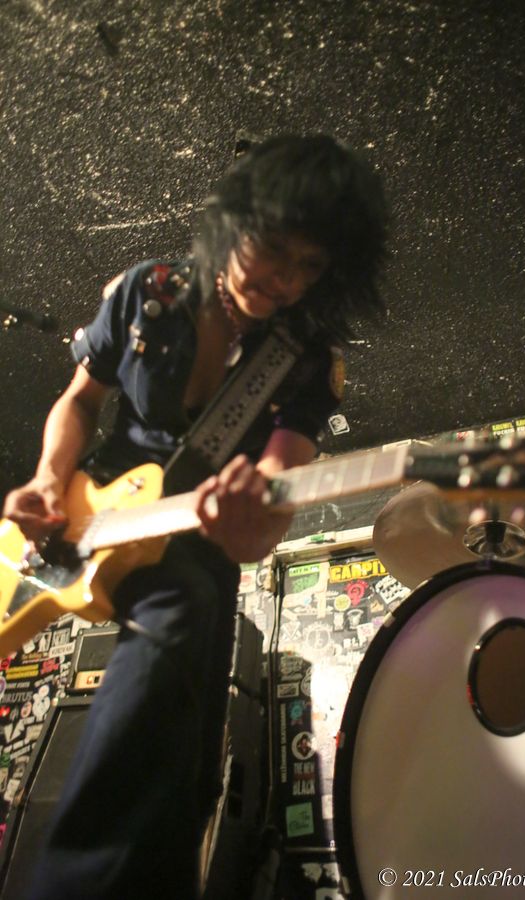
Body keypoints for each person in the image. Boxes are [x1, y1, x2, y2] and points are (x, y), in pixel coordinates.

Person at [3, 133, 387, 899]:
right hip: (88, 508)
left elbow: (273, 498)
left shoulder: (306, 359)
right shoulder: (147, 292)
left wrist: (250, 527)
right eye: (273, 248)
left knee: (188, 727)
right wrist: (48, 478)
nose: (285, 280)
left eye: (310, 265)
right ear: (234, 220)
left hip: (196, 537)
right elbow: (80, 399)